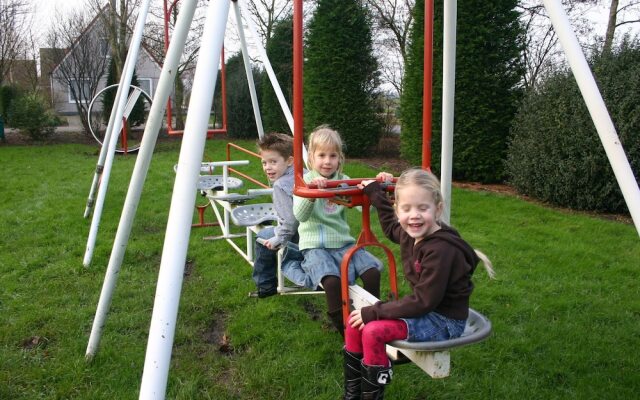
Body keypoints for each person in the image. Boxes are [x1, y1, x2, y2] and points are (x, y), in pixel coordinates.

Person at [341, 168, 493, 399]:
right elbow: (392, 228)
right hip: (424, 309)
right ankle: (352, 394)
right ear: (398, 209)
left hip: (443, 320)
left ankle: (372, 395)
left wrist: (376, 311)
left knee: (372, 330)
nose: (414, 216)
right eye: (406, 209)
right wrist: (375, 194)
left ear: (438, 209)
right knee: (355, 322)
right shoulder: (410, 231)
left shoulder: (441, 250)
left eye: (423, 208)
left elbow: (424, 301)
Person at [292, 125, 383, 335]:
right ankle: (346, 331)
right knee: (332, 282)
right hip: (315, 247)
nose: (327, 161)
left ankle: (372, 319)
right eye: (321, 155)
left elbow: (363, 205)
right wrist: (314, 192)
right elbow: (300, 216)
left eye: (332, 155)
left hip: (343, 243)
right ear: (311, 158)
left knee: (372, 273)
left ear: (339, 158)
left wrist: (378, 185)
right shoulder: (305, 181)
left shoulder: (343, 181)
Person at [249, 132, 300, 298]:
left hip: (295, 235)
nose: (267, 167)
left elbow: (290, 222)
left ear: (289, 160)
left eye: (273, 162)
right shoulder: (304, 173)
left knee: (262, 237)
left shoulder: (280, 185)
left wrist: (278, 239)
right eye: (264, 162)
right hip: (311, 229)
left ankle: (266, 285)